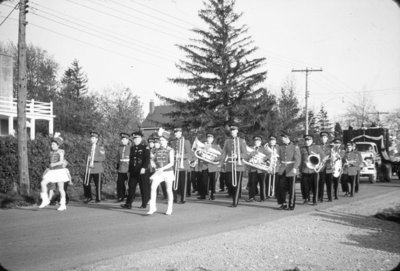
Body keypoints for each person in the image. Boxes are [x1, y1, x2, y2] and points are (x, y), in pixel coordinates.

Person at [39, 134, 71, 211]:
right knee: (43, 183)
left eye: (53, 144)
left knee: (61, 189)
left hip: (59, 171)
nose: (52, 145)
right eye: (51, 144)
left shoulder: (61, 151)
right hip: (52, 171)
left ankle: (63, 204)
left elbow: (61, 161)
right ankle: (45, 200)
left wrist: (54, 164)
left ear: (58, 145)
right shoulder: (51, 152)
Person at [147, 130, 175, 215]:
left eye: (163, 140)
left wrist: (162, 168)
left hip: (168, 172)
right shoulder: (156, 150)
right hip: (159, 172)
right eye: (160, 140)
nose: (161, 142)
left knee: (169, 190)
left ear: (166, 141)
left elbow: (171, 163)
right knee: (153, 187)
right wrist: (153, 164)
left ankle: (169, 208)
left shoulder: (170, 150)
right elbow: (152, 159)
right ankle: (152, 207)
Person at [121, 131, 150, 209]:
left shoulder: (145, 147)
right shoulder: (132, 148)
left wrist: (144, 167)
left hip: (142, 171)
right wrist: (129, 170)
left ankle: (144, 203)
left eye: (136, 138)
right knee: (131, 187)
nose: (135, 140)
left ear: (140, 138)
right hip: (134, 171)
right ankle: (128, 203)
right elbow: (131, 160)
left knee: (143, 187)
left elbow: (147, 159)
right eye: (134, 139)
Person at [220, 125, 248, 207]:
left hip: (238, 165)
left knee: (236, 184)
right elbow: (224, 153)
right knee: (229, 182)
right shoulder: (227, 141)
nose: (232, 132)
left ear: (237, 131)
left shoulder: (241, 141)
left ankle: (235, 202)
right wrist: (221, 163)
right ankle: (233, 196)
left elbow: (245, 154)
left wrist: (238, 156)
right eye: (231, 131)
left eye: (234, 130)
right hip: (229, 164)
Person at [276, 132, 300, 210]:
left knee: (291, 189)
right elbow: (279, 158)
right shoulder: (280, 147)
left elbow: (298, 159)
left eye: (283, 138)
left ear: (287, 138)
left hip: (291, 169)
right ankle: (283, 203)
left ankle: (291, 205)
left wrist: (295, 167)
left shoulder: (294, 147)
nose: (282, 140)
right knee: (281, 187)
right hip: (282, 169)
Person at [300, 134, 325, 206]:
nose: (307, 142)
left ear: (312, 140)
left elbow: (323, 157)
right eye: (306, 140)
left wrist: (319, 166)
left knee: (315, 186)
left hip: (314, 170)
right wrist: (300, 170)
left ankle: (315, 200)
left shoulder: (317, 147)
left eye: (308, 140)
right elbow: (300, 160)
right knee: (304, 186)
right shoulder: (302, 148)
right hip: (305, 170)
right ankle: (306, 199)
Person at [170, 127, 192, 204]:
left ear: (181, 133)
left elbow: (189, 154)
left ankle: (183, 198)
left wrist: (181, 156)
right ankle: (176, 197)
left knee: (182, 183)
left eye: (177, 132)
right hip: (175, 165)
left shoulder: (186, 142)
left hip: (183, 165)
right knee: (175, 182)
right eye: (175, 133)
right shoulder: (173, 142)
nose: (176, 134)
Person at [198, 132, 222, 200]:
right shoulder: (203, 146)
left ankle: (212, 195)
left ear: (213, 139)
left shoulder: (216, 146)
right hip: (205, 166)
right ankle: (203, 195)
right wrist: (200, 154)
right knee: (203, 181)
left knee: (212, 182)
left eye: (211, 138)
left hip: (213, 166)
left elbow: (221, 155)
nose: (209, 139)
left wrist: (215, 158)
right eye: (208, 138)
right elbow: (199, 155)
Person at [83, 131, 106, 203]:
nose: (92, 139)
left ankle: (98, 198)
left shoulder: (100, 147)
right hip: (89, 169)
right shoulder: (89, 148)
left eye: (93, 138)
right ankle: (88, 197)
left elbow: (103, 158)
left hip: (97, 168)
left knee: (98, 184)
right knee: (85, 183)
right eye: (91, 138)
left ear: (97, 139)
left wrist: (94, 160)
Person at [246, 136, 268, 202]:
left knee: (262, 184)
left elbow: (269, 155)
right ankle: (251, 197)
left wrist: (263, 159)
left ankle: (263, 197)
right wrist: (250, 158)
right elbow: (247, 156)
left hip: (261, 169)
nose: (256, 142)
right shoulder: (250, 148)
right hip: (253, 169)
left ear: (260, 142)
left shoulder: (264, 149)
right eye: (255, 141)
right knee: (252, 183)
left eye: (258, 141)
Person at [116, 132, 131, 202]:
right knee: (120, 182)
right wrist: (117, 164)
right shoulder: (120, 148)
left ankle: (129, 195)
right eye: (122, 139)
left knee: (129, 183)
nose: (122, 141)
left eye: (124, 139)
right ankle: (121, 196)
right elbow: (118, 157)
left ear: (127, 140)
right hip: (121, 168)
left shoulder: (131, 147)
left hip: (128, 167)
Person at [318, 131, 331, 202]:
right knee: (321, 182)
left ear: (327, 138)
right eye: (322, 137)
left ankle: (330, 196)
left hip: (328, 166)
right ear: (320, 138)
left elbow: (333, 156)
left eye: (325, 137)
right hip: (321, 167)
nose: (323, 138)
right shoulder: (318, 146)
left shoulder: (330, 146)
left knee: (329, 182)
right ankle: (320, 197)